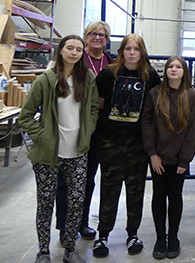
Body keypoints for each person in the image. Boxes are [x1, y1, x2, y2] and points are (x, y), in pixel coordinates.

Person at [18, 35, 99, 263]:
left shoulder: (87, 78)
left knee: (76, 203)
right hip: (48, 154)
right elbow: (25, 116)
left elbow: (94, 109)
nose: (74, 53)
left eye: (78, 49)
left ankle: (70, 248)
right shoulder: (45, 80)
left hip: (78, 152)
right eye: (70, 48)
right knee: (45, 203)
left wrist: (87, 131)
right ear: (61, 51)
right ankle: (43, 250)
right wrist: (43, 137)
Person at [92, 34, 161, 258]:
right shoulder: (107, 75)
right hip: (110, 144)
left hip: (137, 147)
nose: (132, 53)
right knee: (109, 191)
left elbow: (155, 110)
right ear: (121, 51)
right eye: (128, 49)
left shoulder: (150, 76)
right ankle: (103, 236)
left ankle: (133, 234)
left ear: (142, 52)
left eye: (136, 49)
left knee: (136, 192)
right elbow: (96, 104)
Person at [55, 21, 112, 243]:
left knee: (87, 180)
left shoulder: (110, 63)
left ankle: (81, 222)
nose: (98, 37)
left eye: (103, 35)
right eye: (94, 34)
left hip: (99, 131)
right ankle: (63, 227)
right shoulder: (78, 60)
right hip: (72, 127)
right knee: (65, 181)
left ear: (107, 39)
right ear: (86, 37)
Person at [141, 56, 195, 259]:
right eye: (170, 67)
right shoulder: (154, 94)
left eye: (178, 67)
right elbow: (147, 125)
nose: (174, 70)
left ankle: (173, 237)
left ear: (184, 71)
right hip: (158, 158)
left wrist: (185, 160)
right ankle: (160, 238)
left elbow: (193, 130)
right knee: (159, 196)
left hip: (179, 160)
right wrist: (152, 154)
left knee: (175, 197)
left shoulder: (192, 96)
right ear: (165, 71)